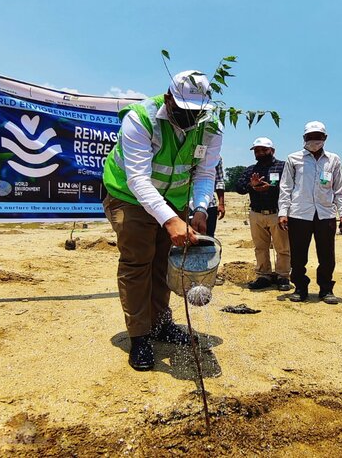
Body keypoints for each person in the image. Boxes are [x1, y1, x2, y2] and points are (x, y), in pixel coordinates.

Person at [102, 70, 222, 371]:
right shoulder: (141, 118)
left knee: (164, 262)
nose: (188, 119)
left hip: (177, 198)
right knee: (138, 261)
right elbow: (139, 179)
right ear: (168, 98)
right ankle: (140, 336)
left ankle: (160, 323)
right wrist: (170, 221)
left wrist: (200, 210)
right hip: (128, 195)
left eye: (195, 113)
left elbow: (205, 173)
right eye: (182, 111)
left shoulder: (210, 125)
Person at [278, 121, 342, 304]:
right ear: (304, 138)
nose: (313, 141)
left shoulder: (333, 160)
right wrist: (283, 212)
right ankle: (300, 287)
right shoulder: (293, 158)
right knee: (298, 255)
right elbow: (286, 187)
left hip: (325, 214)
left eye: (317, 137)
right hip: (299, 213)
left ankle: (326, 289)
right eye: (310, 137)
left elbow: (339, 189)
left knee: (327, 254)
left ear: (324, 138)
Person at [235, 137, 291, 292]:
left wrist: (271, 188)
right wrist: (251, 185)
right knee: (260, 247)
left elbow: (292, 188)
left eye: (264, 150)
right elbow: (239, 188)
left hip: (277, 213)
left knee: (282, 247)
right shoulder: (251, 169)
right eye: (257, 151)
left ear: (272, 151)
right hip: (256, 214)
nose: (260, 153)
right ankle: (263, 275)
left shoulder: (283, 167)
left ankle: (283, 276)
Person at [205, 157, 225, 237]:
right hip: (184, 204)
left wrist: (221, 204)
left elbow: (219, 180)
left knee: (207, 239)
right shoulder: (185, 152)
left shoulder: (216, 157)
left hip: (209, 204)